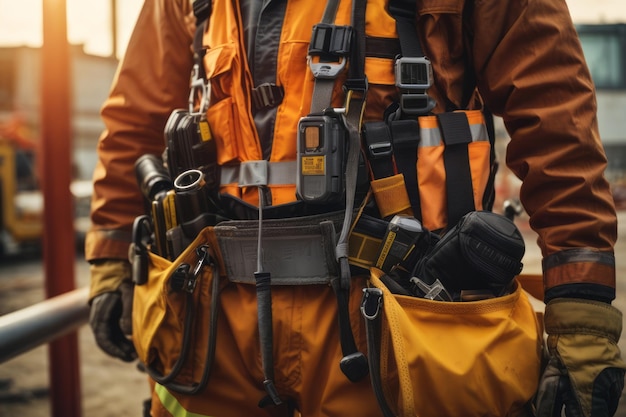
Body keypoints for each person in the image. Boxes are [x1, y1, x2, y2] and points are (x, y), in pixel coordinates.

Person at [86, 0, 626, 416]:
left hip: (400, 319)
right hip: (211, 330)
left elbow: (555, 122)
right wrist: (111, 255)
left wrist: (582, 313)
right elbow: (137, 118)